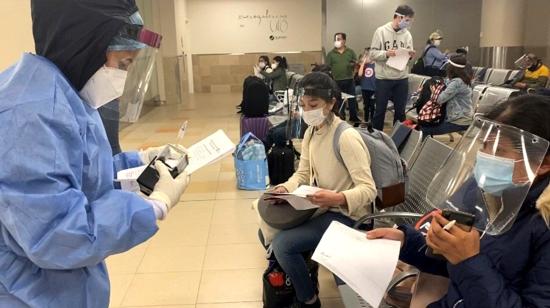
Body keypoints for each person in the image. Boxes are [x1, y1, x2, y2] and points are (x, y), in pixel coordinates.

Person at [0, 1, 191, 307]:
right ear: (85, 47)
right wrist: (154, 207)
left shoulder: (65, 92)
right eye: (124, 63)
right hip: (30, 296)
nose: (123, 77)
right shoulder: (30, 115)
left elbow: (81, 174)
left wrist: (140, 162)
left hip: (62, 286)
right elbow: (56, 235)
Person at [368, 94, 550, 307]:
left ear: (542, 163)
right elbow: (453, 263)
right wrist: (406, 242)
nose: (485, 157)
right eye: (484, 146)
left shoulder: (542, 224)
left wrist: (469, 261)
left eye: (499, 150)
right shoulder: (489, 192)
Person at [268, 72, 377, 308]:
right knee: (267, 230)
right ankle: (306, 284)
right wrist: (284, 187)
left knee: (283, 245)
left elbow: (369, 190)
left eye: (314, 105)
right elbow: (303, 173)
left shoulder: (346, 137)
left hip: (348, 216)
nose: (307, 111)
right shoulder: (311, 132)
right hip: (324, 208)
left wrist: (337, 197)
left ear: (331, 104)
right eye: (303, 105)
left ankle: (307, 299)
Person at [370, 5, 416, 130]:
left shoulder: (407, 35)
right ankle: (376, 138)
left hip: (401, 78)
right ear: (399, 17)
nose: (408, 23)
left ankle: (398, 141)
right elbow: (372, 54)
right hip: (384, 78)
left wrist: (410, 56)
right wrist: (386, 53)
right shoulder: (381, 31)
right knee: (380, 110)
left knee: (400, 112)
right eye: (407, 20)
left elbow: (408, 57)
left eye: (410, 21)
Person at [419, 54, 473, 137]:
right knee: (426, 124)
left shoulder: (457, 83)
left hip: (459, 121)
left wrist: (433, 91)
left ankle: (423, 148)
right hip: (459, 117)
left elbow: (439, 100)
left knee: (425, 129)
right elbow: (445, 83)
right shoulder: (462, 79)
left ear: (451, 68)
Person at [326, 32, 360, 122]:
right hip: (336, 81)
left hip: (349, 79)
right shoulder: (331, 54)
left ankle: (354, 117)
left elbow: (356, 64)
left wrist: (354, 65)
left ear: (344, 41)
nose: (336, 41)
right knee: (339, 100)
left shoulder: (350, 52)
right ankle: (341, 117)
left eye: (339, 39)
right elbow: (327, 67)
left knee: (352, 99)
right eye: (335, 39)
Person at [357, 48, 377, 123]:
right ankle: (365, 119)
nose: (366, 57)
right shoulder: (364, 66)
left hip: (373, 89)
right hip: (365, 88)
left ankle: (372, 120)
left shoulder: (376, 64)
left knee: (372, 106)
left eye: (367, 55)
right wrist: (363, 63)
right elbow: (359, 74)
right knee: (366, 106)